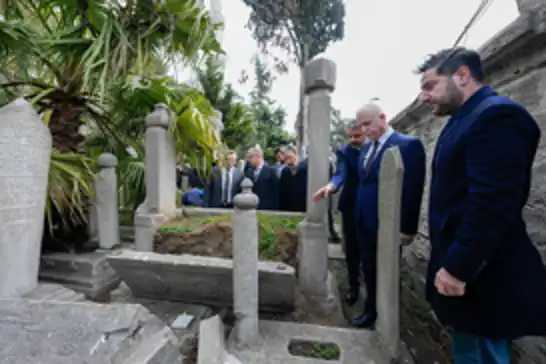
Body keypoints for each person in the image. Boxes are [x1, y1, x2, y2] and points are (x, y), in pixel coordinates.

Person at [417, 47, 546, 364]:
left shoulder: (497, 116)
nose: (423, 97)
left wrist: (458, 268)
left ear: (461, 75)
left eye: (429, 85)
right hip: (469, 277)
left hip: (481, 279)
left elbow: (493, 203)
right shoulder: (466, 118)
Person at [316, 102, 426, 329]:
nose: (363, 130)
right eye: (360, 126)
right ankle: (370, 310)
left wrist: (407, 228)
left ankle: (383, 314)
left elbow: (413, 189)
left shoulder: (407, 145)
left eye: (367, 124)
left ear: (383, 118)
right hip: (363, 220)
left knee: (385, 272)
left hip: (387, 223)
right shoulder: (367, 148)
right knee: (368, 268)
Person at [313, 120, 366, 305]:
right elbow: (341, 173)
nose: (353, 140)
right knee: (351, 249)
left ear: (366, 132)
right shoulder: (345, 151)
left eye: (357, 136)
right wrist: (332, 185)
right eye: (350, 136)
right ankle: (353, 286)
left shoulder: (379, 148)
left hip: (372, 207)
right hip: (351, 206)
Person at [278, 145, 307, 212]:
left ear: (296, 155)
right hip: (289, 208)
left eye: (289, 157)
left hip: (304, 208)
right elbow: (282, 193)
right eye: (285, 158)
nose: (287, 160)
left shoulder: (306, 169)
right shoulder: (285, 172)